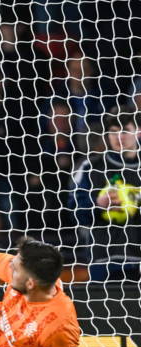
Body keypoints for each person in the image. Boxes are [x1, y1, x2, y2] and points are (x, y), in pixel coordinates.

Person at [70, 113, 141, 281]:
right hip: (103, 260)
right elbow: (74, 211)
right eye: (113, 131)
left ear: (138, 132)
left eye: (124, 131)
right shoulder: (91, 167)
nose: (118, 137)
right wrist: (97, 205)